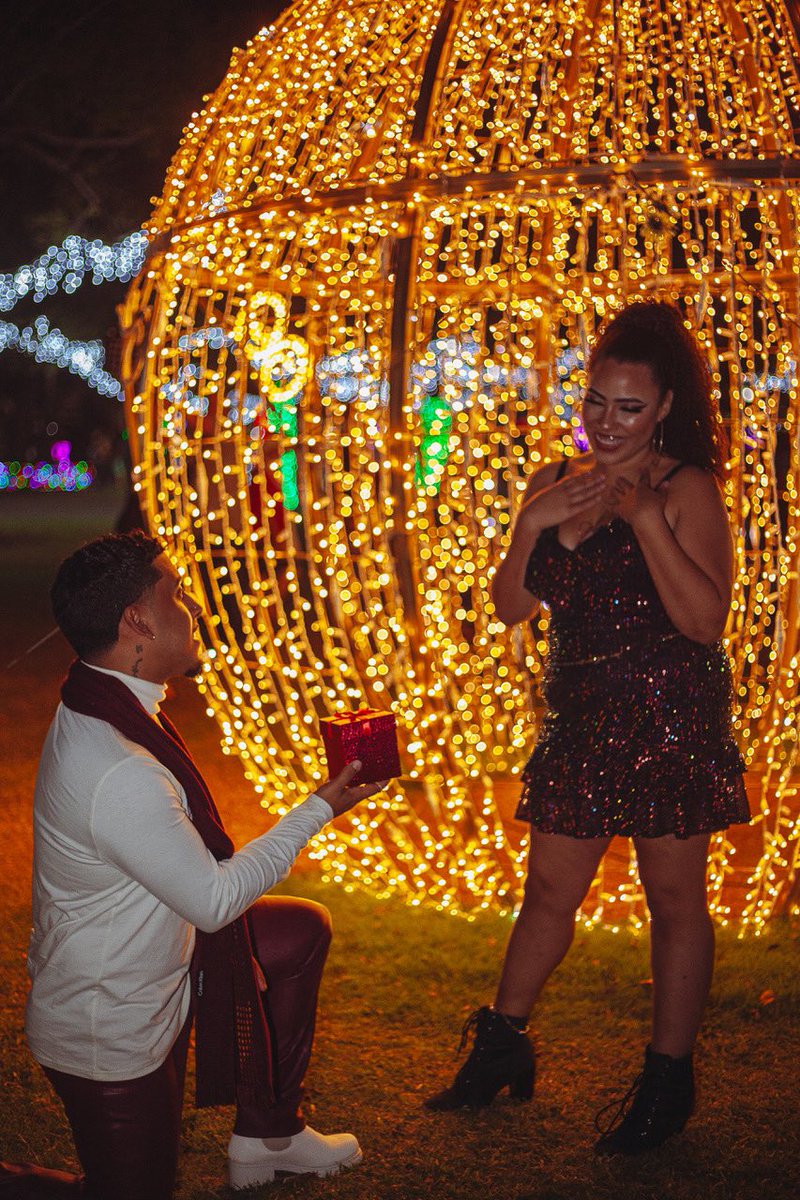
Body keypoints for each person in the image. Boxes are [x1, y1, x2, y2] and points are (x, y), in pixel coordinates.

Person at [425, 300, 750, 1155]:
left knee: (674, 903)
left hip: (670, 721)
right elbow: (511, 607)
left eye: (628, 407)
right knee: (547, 892)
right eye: (596, 401)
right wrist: (532, 523)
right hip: (579, 723)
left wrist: (645, 520)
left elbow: (705, 622)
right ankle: (502, 1046)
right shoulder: (556, 479)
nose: (606, 422)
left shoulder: (686, 488)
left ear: (666, 406)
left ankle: (667, 1084)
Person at [9, 530, 386, 1199]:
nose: (197, 609)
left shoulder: (109, 699)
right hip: (109, 1026)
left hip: (159, 967)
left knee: (296, 931)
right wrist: (320, 807)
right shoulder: (118, 765)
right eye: (178, 596)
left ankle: (270, 1136)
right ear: (138, 621)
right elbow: (214, 902)